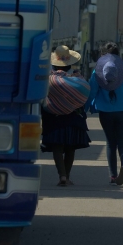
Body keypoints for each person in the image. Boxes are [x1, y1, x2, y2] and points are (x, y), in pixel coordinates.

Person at [86, 42, 123, 186]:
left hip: (106, 113)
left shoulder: (97, 71)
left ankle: (113, 175)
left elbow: (91, 92)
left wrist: (83, 109)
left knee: (111, 143)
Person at [41, 45, 91, 187]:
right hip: (73, 117)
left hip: (54, 118)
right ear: (69, 62)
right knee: (70, 148)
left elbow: (42, 96)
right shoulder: (77, 78)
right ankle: (67, 177)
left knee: (57, 147)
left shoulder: (49, 78)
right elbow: (84, 93)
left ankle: (62, 175)